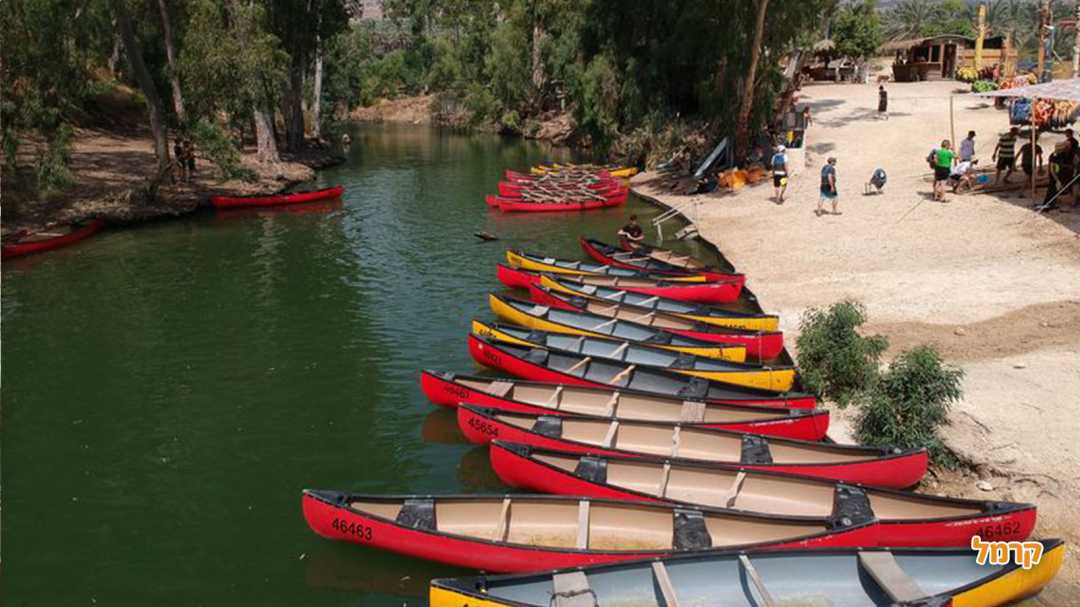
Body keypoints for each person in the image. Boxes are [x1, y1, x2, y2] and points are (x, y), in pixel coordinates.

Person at [1040, 141, 1071, 211]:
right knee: (1051, 191)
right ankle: (1046, 206)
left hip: (1059, 175)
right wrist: (1057, 180)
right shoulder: (1054, 155)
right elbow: (1052, 169)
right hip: (1054, 176)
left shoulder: (1060, 154)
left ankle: (1052, 204)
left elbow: (1060, 165)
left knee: (1055, 191)